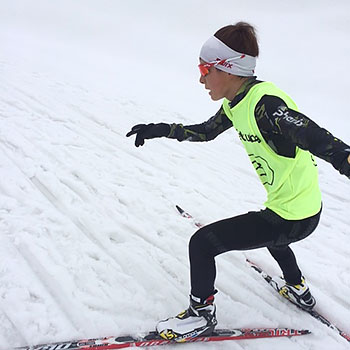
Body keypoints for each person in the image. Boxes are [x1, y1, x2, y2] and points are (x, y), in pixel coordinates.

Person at [126, 22, 350, 342]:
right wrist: (159, 128)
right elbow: (205, 131)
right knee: (275, 238)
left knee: (202, 244)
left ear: (228, 69)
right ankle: (298, 289)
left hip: (293, 215)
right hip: (299, 210)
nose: (201, 78)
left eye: (206, 69)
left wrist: (345, 159)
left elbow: (311, 135)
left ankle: (201, 314)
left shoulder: (265, 104)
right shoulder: (236, 103)